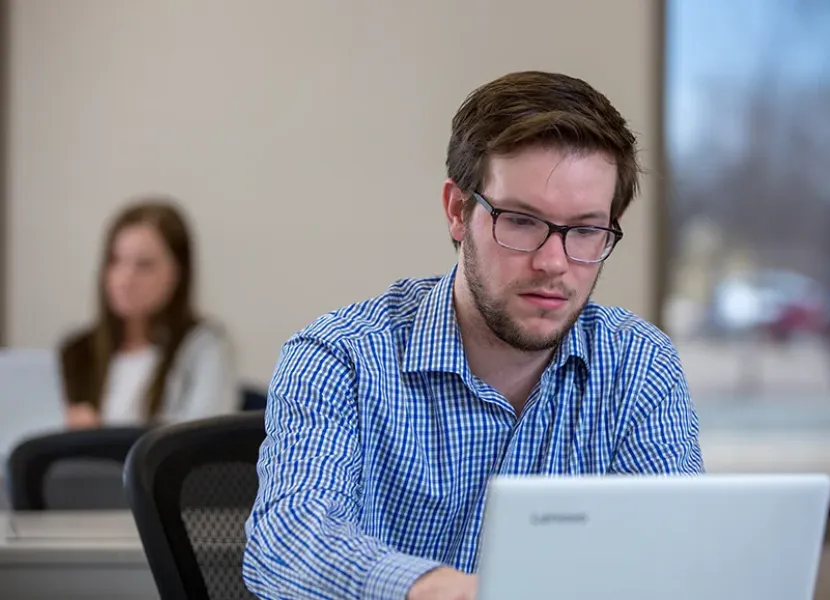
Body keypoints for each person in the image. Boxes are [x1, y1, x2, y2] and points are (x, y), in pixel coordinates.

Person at [243, 71, 704, 600]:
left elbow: (672, 558)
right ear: (458, 212)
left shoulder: (637, 365)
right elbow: (287, 543)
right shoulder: (339, 357)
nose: (554, 262)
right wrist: (435, 591)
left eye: (585, 230)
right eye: (522, 221)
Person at [59, 198, 240, 428]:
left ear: (178, 273)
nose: (125, 279)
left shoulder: (206, 346)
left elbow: (200, 441)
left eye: (144, 265)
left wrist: (98, 435)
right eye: (115, 261)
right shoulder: (76, 351)